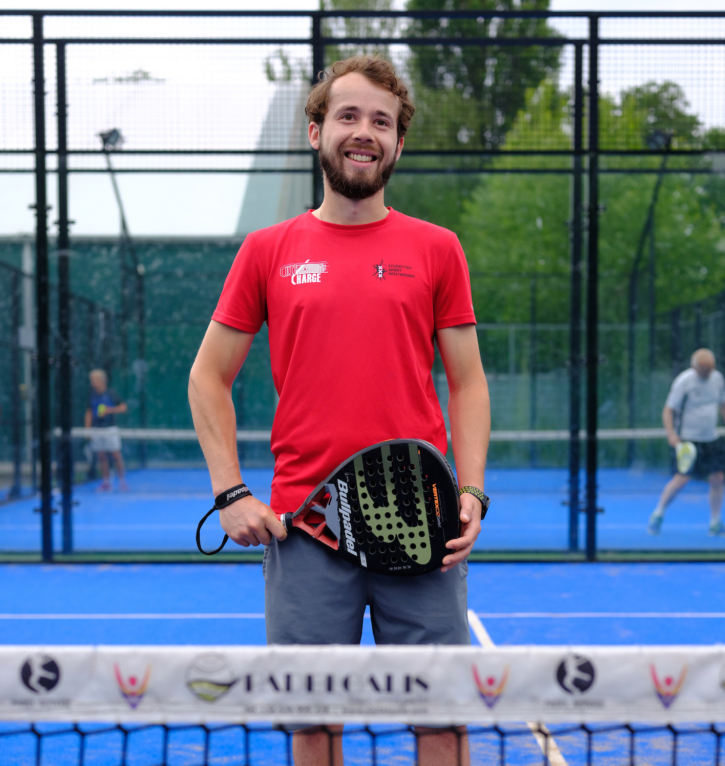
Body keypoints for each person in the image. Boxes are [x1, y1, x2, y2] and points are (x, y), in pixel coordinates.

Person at [189, 56, 490, 766]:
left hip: (421, 525)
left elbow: (468, 382)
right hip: (304, 528)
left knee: (441, 723)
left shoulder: (438, 249)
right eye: (349, 117)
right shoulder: (268, 251)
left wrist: (471, 490)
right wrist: (230, 493)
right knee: (314, 725)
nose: (365, 132)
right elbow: (208, 377)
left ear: (398, 144)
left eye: (381, 122)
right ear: (316, 132)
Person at [647, 348, 725, 538]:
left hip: (711, 438)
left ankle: (715, 523)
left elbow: (724, 404)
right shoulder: (684, 381)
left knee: (718, 478)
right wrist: (671, 434)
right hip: (688, 440)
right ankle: (658, 514)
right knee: (681, 480)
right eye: (703, 369)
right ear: (694, 366)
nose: (707, 373)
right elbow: (668, 409)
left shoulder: (718, 379)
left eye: (710, 369)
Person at [85, 369, 128, 492]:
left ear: (102, 380)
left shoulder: (111, 393)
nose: (93, 383)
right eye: (92, 380)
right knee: (101, 456)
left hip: (110, 429)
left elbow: (123, 407)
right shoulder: (92, 394)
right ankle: (106, 482)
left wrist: (109, 410)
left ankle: (122, 481)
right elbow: (88, 412)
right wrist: (87, 430)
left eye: (95, 380)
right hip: (97, 429)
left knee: (116, 455)